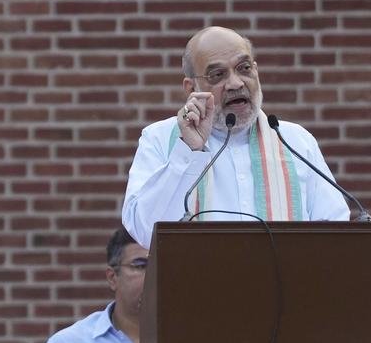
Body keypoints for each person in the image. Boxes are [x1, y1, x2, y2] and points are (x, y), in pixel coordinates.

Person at [122, 26, 349, 248]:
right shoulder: (160, 138)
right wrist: (188, 151)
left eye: (244, 68)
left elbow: (334, 232)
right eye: (217, 75)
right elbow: (145, 231)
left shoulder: (295, 141)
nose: (235, 83)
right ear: (191, 89)